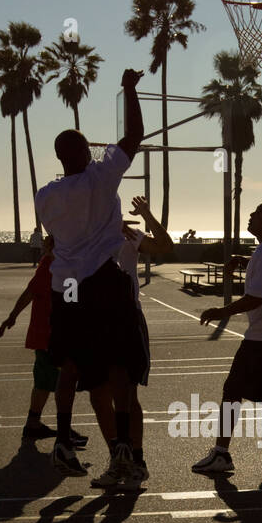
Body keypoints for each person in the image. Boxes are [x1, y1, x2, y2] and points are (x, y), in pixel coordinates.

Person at [34, 68, 145, 481]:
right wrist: (130, 90)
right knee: (118, 364)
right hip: (102, 280)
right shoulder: (101, 176)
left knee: (69, 365)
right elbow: (135, 135)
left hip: (65, 285)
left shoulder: (45, 196)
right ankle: (120, 449)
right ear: (83, 151)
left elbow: (53, 238)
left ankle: (62, 441)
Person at [192, 200, 262, 475]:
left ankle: (221, 454)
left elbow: (258, 297)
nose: (251, 217)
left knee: (233, 390)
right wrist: (247, 260)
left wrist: (221, 311)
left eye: (256, 214)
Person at [88, 194, 173, 487]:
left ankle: (135, 460)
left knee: (126, 394)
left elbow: (165, 247)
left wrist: (148, 215)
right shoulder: (85, 235)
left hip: (125, 319)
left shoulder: (128, 235)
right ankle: (118, 458)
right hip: (94, 322)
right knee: (98, 396)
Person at [0, 232, 88, 446]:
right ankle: (59, 431)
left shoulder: (53, 265)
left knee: (46, 382)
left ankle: (33, 424)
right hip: (53, 335)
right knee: (59, 382)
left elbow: (33, 292)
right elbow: (39, 294)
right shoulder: (54, 266)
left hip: (49, 334)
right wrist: (12, 316)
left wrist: (12, 316)